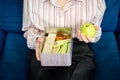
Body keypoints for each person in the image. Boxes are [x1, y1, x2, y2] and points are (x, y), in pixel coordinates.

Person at [22, 0, 106, 80]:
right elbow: (29, 28)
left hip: (77, 46)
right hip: (46, 42)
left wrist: (91, 35)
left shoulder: (97, 1)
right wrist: (36, 40)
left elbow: (95, 29)